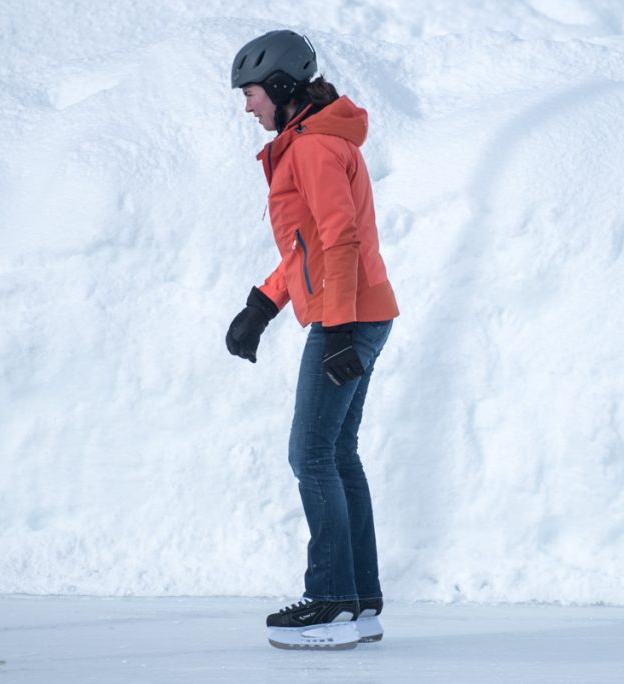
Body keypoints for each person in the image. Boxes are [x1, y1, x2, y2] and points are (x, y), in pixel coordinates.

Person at [225, 29, 400, 650]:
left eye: (250, 94)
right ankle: (359, 602)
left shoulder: (315, 150)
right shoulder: (309, 142)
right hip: (354, 308)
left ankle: (329, 600)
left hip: (344, 314)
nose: (247, 107)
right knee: (338, 454)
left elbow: (341, 239)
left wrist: (339, 329)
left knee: (312, 456)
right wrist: (261, 307)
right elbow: (311, 249)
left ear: (278, 87)